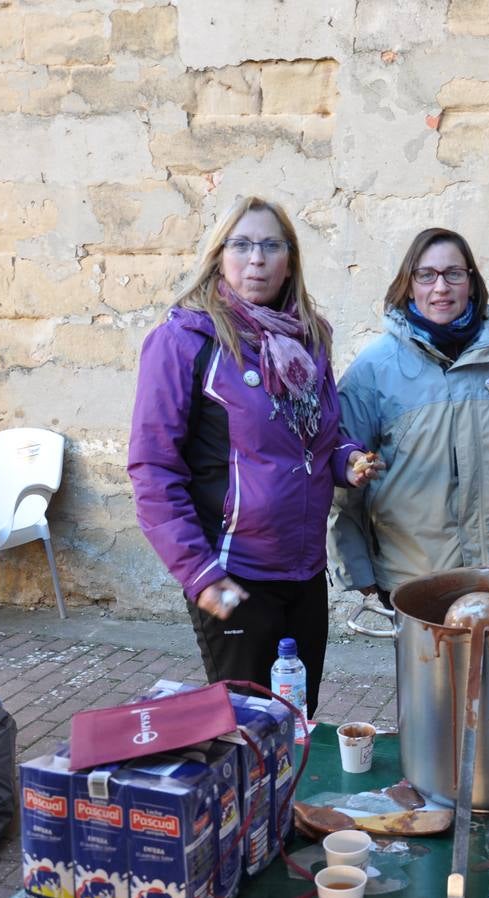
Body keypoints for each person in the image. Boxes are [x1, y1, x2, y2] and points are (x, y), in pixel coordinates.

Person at [128, 196, 379, 718]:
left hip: (304, 574)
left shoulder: (310, 337)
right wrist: (199, 573)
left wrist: (348, 460)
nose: (256, 259)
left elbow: (319, 439)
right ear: (220, 255)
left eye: (270, 245)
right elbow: (153, 470)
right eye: (241, 245)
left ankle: (288, 805)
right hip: (233, 574)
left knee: (297, 722)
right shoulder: (183, 341)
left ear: (291, 259)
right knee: (247, 734)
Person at [329, 227, 489, 604]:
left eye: (454, 273)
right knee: (427, 666)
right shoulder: (375, 368)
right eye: (427, 275)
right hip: (414, 580)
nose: (441, 287)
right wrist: (356, 566)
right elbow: (343, 476)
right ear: (409, 285)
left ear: (471, 282)